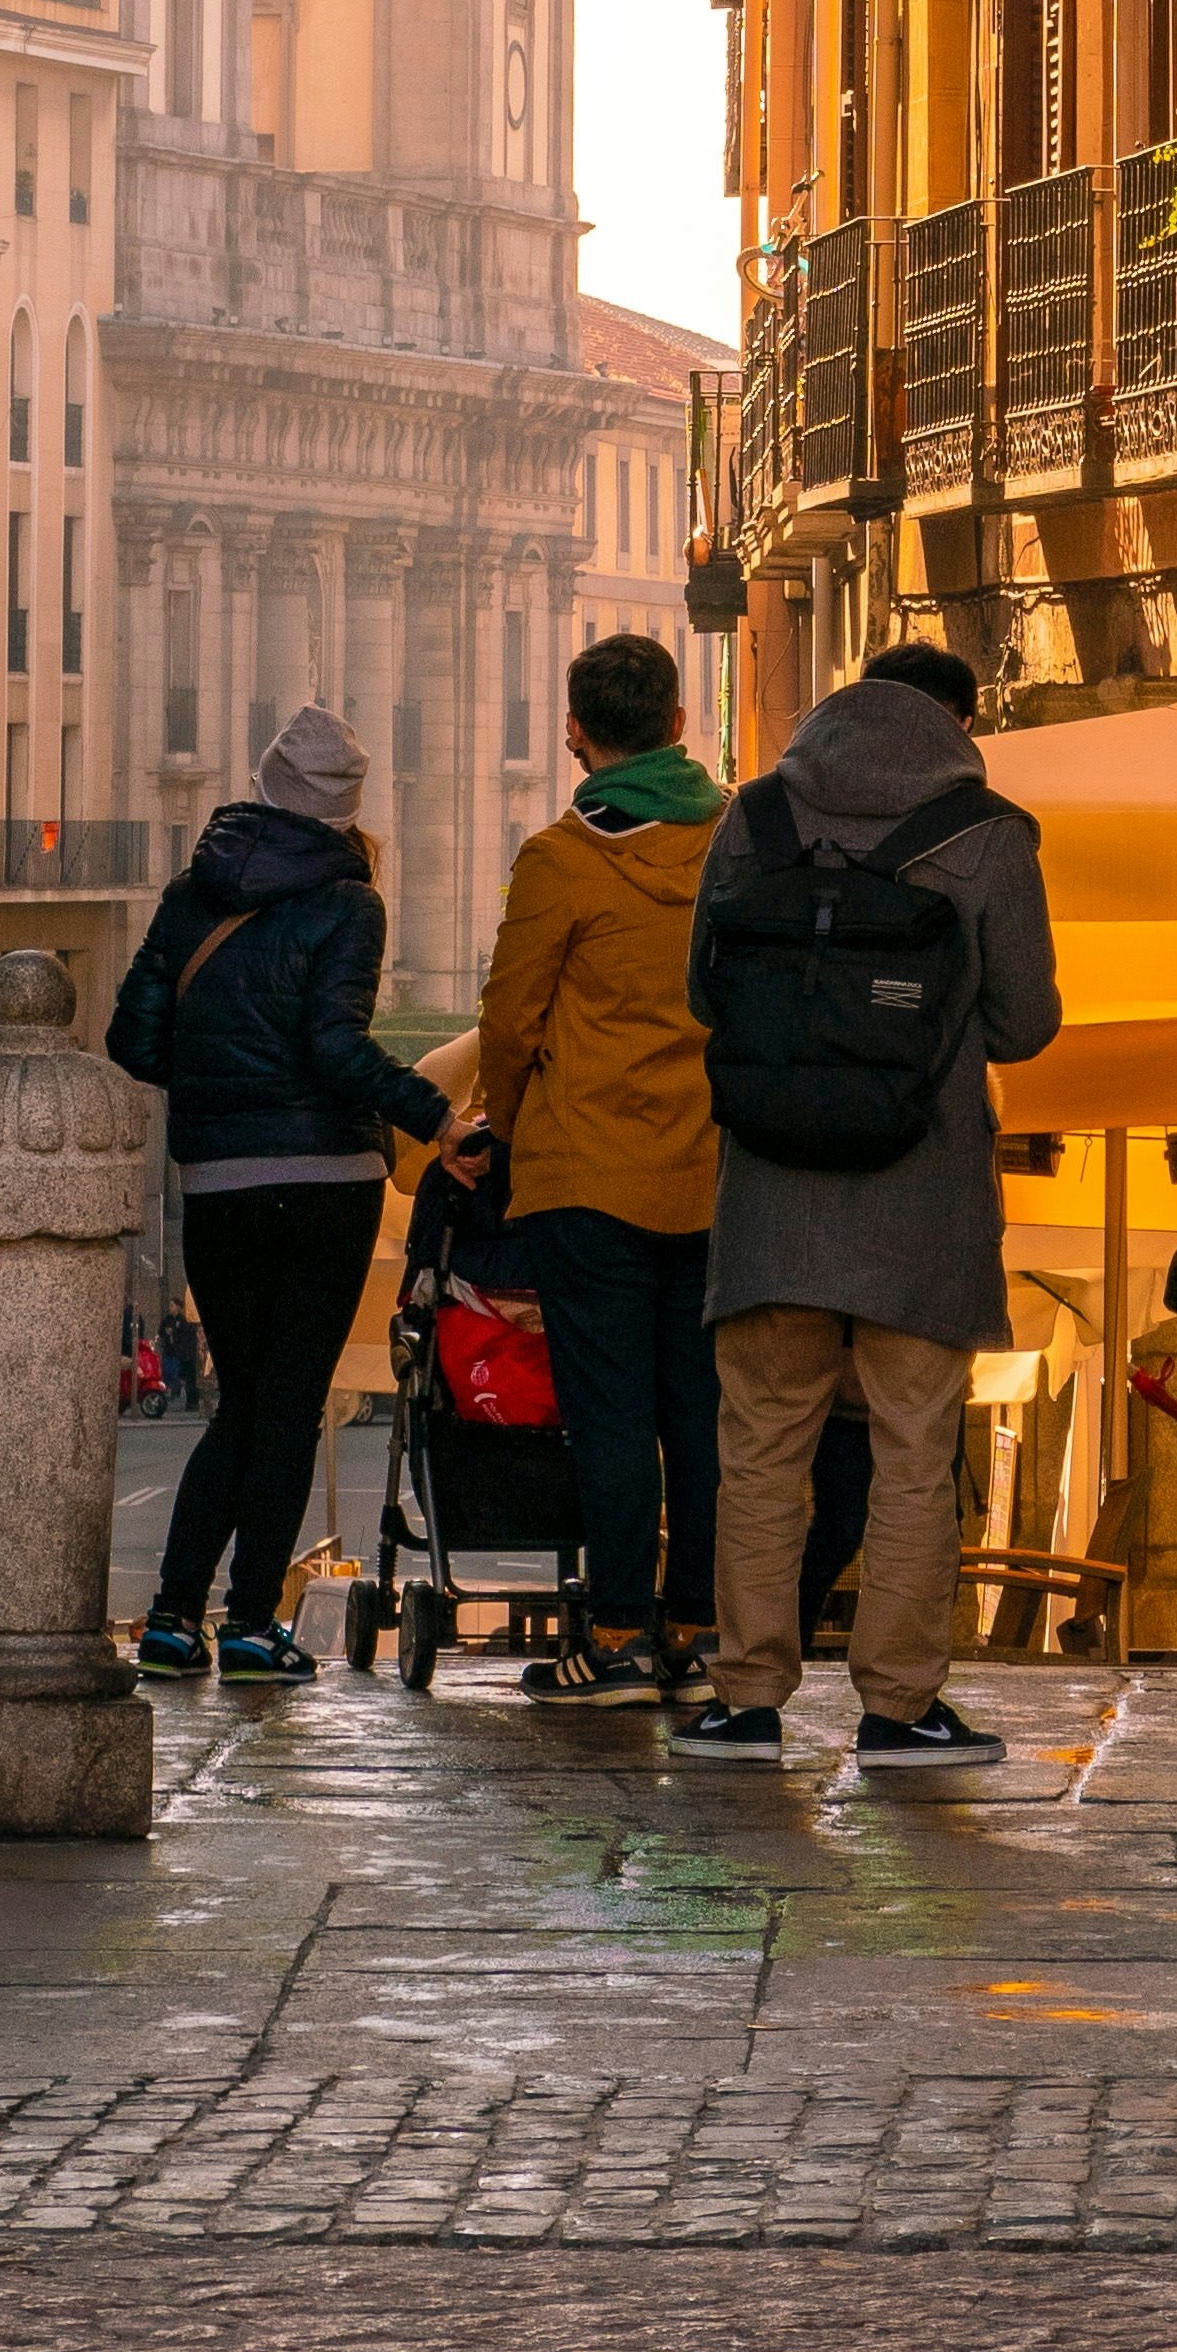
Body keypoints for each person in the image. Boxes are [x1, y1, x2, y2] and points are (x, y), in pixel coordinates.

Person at [678, 635, 1058, 1771]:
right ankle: (898, 1707)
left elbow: (705, 989)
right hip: (920, 1199)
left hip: (771, 1199)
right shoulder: (987, 835)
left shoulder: (752, 820)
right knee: (911, 1453)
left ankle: (745, 1698)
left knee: (758, 1453)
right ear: (958, 721)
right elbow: (1026, 1024)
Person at [106, 700, 448, 1680]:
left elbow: (134, 1040)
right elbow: (336, 1049)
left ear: (264, 783)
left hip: (217, 1183)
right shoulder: (351, 900)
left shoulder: (192, 890)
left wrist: (222, 1090)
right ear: (346, 806)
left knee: (240, 1401)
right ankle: (252, 1619)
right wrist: (435, 1117)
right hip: (326, 1181)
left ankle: (174, 1614)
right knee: (290, 1402)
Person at [468, 625, 730, 1694]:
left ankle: (619, 1631)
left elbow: (508, 1020)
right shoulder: (731, 846)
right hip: (711, 1172)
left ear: (575, 733)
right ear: (676, 724)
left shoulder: (561, 858)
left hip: (585, 1175)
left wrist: (514, 1123)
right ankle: (702, 1628)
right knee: (700, 1414)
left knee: (611, 1412)